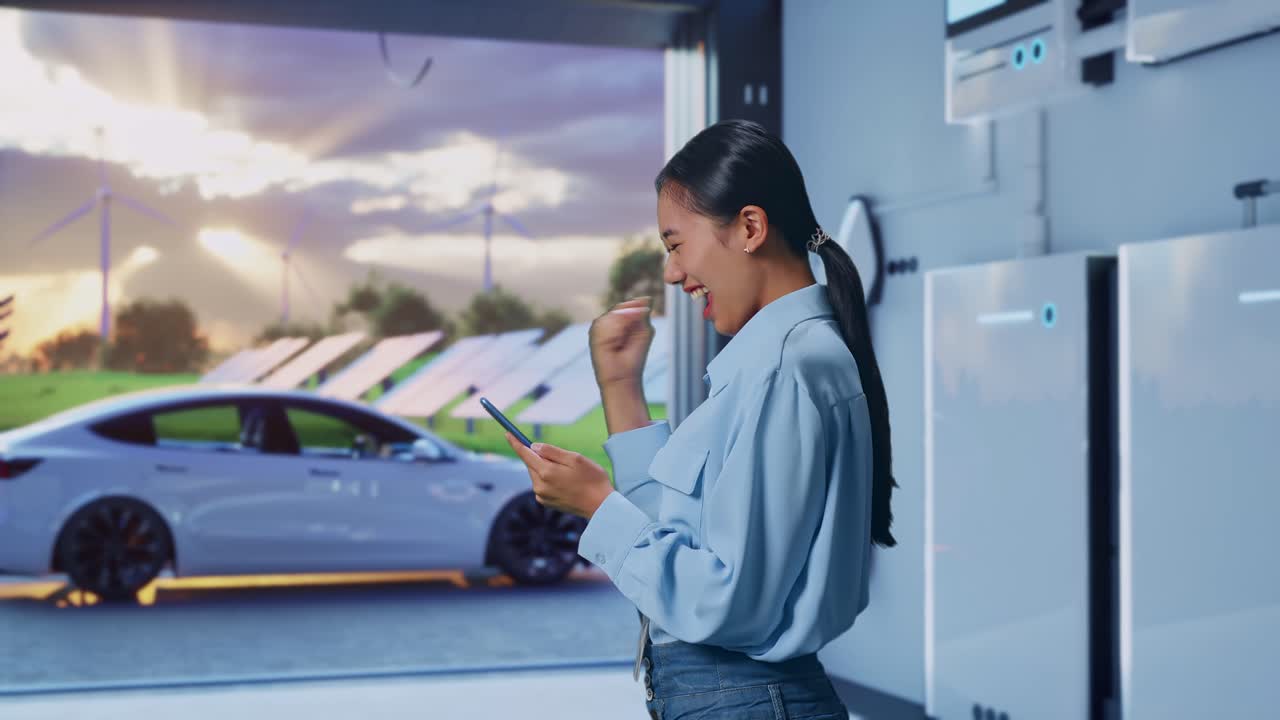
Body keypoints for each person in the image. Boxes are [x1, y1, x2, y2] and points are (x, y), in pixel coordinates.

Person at [504, 119, 897, 720]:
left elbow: (730, 602)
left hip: (743, 698)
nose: (670, 272)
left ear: (749, 227)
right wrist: (619, 384)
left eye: (675, 244)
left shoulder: (783, 367)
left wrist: (597, 507)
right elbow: (681, 535)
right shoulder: (779, 361)